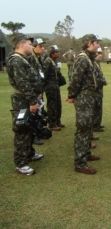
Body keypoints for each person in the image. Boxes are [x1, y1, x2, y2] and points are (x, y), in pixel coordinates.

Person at [7, 33, 44, 175]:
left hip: (28, 99)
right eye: (29, 44)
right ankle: (21, 163)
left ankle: (29, 153)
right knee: (21, 130)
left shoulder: (23, 59)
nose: (32, 46)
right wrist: (33, 101)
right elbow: (23, 84)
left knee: (29, 127)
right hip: (23, 101)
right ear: (22, 44)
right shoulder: (16, 61)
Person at [67, 34, 103, 175]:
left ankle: (86, 153)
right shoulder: (82, 58)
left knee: (87, 127)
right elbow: (76, 79)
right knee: (83, 128)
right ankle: (80, 163)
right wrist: (72, 95)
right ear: (89, 43)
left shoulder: (88, 58)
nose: (98, 45)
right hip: (84, 98)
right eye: (96, 43)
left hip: (90, 97)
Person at [28, 38, 47, 145]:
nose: (43, 48)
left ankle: (38, 132)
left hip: (39, 90)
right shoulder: (31, 58)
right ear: (34, 47)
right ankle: (34, 136)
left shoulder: (39, 58)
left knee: (39, 113)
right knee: (33, 115)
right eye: (40, 46)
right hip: (34, 92)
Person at [44, 45, 65, 131]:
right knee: (52, 105)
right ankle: (52, 124)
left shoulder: (54, 61)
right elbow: (44, 75)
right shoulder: (48, 61)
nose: (58, 53)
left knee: (58, 105)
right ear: (52, 54)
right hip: (50, 86)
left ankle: (57, 121)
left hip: (55, 86)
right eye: (56, 52)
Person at [93, 47, 107, 132]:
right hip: (96, 89)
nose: (100, 55)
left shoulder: (98, 64)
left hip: (99, 89)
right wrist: (102, 81)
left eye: (101, 53)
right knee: (96, 107)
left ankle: (97, 124)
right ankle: (95, 125)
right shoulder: (93, 64)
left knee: (99, 107)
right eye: (98, 53)